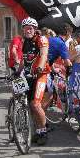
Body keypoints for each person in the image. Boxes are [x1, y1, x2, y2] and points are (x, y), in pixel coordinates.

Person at [18, 17, 50, 145]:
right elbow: (24, 59)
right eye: (26, 28)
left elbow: (43, 55)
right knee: (30, 106)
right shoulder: (25, 41)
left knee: (36, 104)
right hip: (28, 76)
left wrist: (40, 67)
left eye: (30, 28)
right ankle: (38, 130)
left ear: (35, 29)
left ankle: (44, 132)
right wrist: (17, 71)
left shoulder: (41, 39)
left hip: (40, 75)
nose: (28, 31)